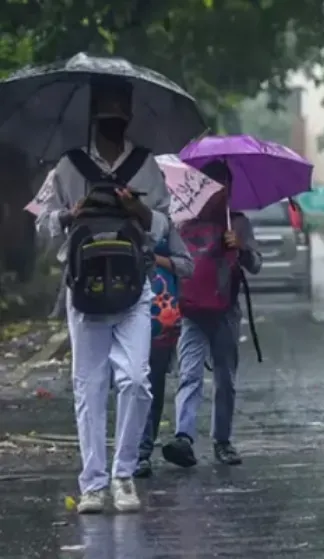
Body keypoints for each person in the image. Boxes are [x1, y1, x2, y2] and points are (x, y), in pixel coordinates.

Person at [34, 76, 171, 513]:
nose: (114, 116)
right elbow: (41, 224)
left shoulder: (147, 167)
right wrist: (68, 214)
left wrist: (141, 211)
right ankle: (93, 483)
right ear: (94, 114)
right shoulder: (68, 167)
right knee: (89, 388)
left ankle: (123, 475)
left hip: (135, 290)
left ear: (129, 113)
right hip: (84, 292)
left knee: (135, 379)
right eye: (106, 109)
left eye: (120, 108)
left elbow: (169, 225)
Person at [161, 159, 262, 469]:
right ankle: (184, 438)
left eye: (223, 186)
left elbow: (256, 264)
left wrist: (242, 248)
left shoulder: (239, 222)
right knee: (189, 374)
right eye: (211, 185)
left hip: (225, 310)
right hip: (191, 310)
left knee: (225, 378)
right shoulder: (182, 221)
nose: (217, 192)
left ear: (230, 189)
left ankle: (222, 440)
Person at [134, 226, 194, 478]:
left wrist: (155, 258)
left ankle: (142, 451)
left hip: (162, 317)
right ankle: (130, 449)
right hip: (121, 308)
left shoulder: (164, 226)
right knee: (130, 381)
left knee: (153, 384)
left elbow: (186, 266)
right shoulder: (112, 220)